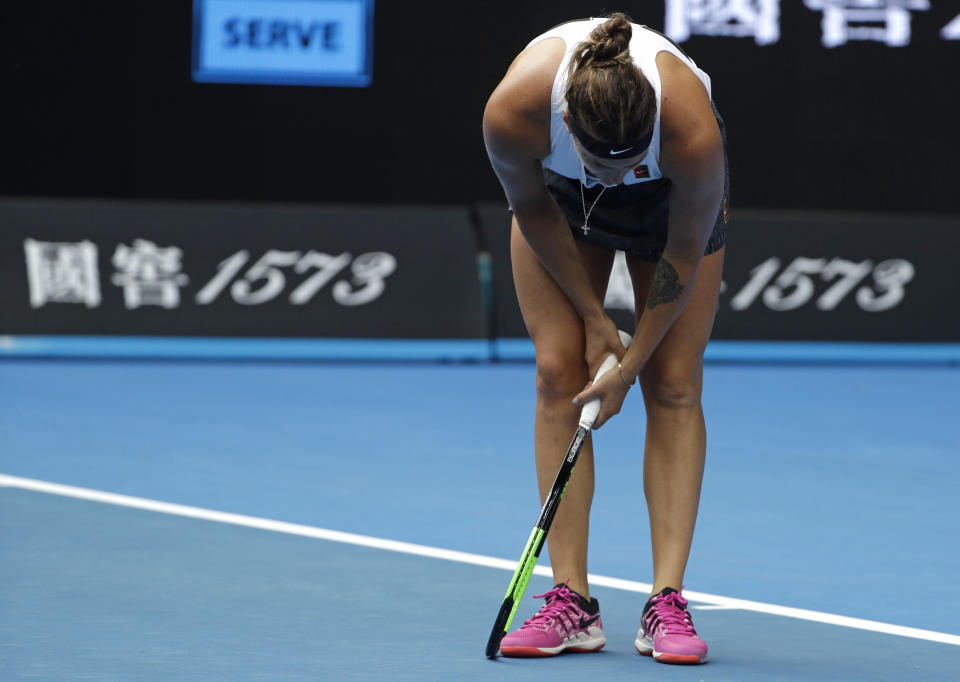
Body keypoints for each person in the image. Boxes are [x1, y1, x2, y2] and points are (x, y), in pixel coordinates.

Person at [482, 13, 729, 665]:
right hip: (561, 202)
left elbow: (685, 250)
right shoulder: (517, 110)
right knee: (559, 373)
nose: (616, 177)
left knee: (673, 383)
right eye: (603, 165)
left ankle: (666, 601)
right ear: (566, 125)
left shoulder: (690, 131)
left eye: (628, 163)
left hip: (668, 207)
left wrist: (629, 363)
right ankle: (572, 602)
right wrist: (597, 325)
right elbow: (532, 208)